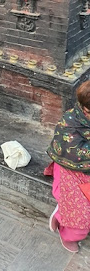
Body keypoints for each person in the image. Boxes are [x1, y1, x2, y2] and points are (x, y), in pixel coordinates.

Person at [46, 80, 90, 253]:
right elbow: (73, 152)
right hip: (71, 168)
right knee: (80, 217)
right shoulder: (70, 122)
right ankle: (66, 232)